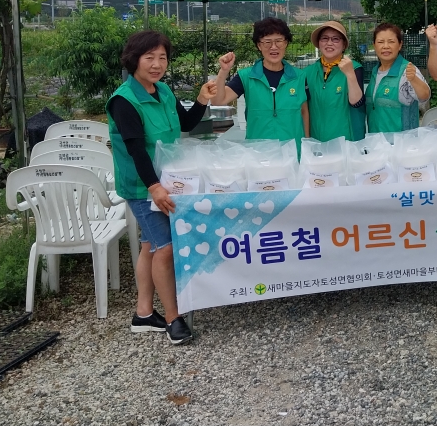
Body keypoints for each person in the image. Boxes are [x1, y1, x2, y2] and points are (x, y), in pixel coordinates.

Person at [107, 30, 216, 345]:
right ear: (134, 60)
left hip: (166, 182)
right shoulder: (124, 101)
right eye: (149, 57)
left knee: (150, 246)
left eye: (162, 58)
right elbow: (136, 150)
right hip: (143, 187)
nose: (157, 64)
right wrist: (154, 187)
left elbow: (187, 124)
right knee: (166, 248)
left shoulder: (163, 90)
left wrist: (202, 98)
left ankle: (143, 313)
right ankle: (173, 317)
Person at [212, 17, 306, 146]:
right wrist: (223, 71)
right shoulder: (246, 76)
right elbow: (218, 101)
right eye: (267, 42)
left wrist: (307, 144)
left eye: (279, 41)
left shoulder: (299, 77)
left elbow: (304, 112)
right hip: (258, 150)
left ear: (286, 43)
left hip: (292, 150)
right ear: (259, 45)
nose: (274, 47)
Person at [302, 21, 366, 142]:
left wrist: (350, 74)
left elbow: (356, 102)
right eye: (324, 38)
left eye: (335, 39)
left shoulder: (355, 68)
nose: (329, 43)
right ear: (319, 43)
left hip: (346, 142)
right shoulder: (307, 73)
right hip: (317, 142)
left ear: (344, 44)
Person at [365, 22, 431, 133]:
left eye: (391, 42)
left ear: (400, 45)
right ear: (374, 45)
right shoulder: (375, 72)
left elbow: (425, 96)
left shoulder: (407, 70)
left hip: (402, 141)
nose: (386, 46)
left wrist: (414, 79)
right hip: (376, 140)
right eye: (380, 42)